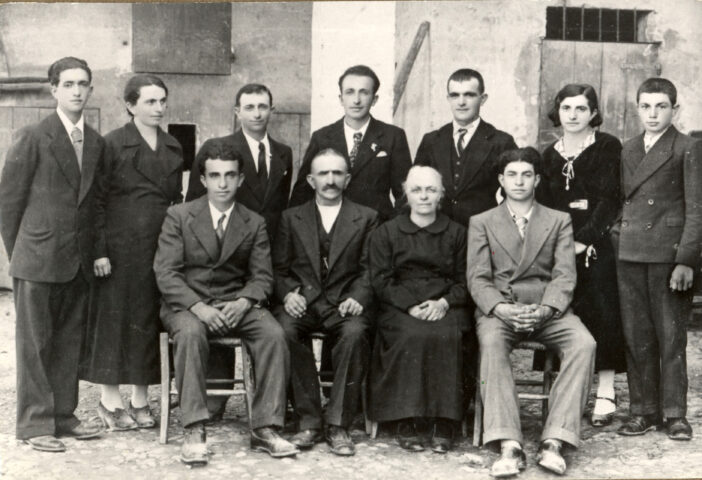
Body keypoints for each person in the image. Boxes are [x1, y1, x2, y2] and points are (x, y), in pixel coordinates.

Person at [153, 142, 298, 465]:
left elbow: (263, 276)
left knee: (274, 335)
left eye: (230, 175)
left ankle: (266, 428)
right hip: (187, 304)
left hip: (235, 303)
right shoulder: (179, 216)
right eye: (215, 176)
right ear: (202, 180)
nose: (223, 183)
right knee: (190, 333)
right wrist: (199, 307)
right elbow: (166, 273)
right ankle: (194, 428)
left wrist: (245, 301)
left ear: (240, 179)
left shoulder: (254, 221)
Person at [467, 148, 596, 477]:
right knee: (491, 344)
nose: (519, 181)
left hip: (547, 309)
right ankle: (509, 442)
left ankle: (555, 439)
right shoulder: (482, 222)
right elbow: (478, 278)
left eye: (527, 175)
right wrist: (501, 308)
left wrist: (547, 309)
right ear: (501, 180)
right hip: (501, 309)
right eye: (512, 175)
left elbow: (565, 275)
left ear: (537, 180)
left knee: (584, 344)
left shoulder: (558, 220)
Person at [0, 57, 105, 452]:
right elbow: (8, 202)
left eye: (83, 84)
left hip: (77, 261)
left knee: (68, 343)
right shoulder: (33, 136)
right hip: (37, 260)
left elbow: (95, 204)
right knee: (35, 346)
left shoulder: (96, 142)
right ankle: (35, 424)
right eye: (69, 84)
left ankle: (63, 416)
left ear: (90, 89)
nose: (77, 91)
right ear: (54, 90)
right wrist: (23, 253)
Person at [79, 74, 183, 431]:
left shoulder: (173, 146)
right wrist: (99, 251)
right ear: (130, 105)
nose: (159, 108)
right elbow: (95, 202)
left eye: (162, 101)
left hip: (160, 246)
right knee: (114, 322)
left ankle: (141, 400)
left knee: (149, 321)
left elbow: (176, 200)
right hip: (119, 249)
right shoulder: (112, 144)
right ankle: (109, 400)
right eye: (150, 101)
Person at [273, 148, 378, 456]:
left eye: (337, 173)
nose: (330, 180)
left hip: (344, 302)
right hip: (303, 302)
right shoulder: (291, 217)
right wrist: (288, 294)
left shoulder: (367, 217)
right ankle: (308, 420)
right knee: (284, 332)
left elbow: (371, 268)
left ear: (347, 178)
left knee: (355, 334)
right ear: (311, 180)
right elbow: (278, 268)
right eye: (323, 173)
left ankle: (338, 424)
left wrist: (359, 297)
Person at [613, 78, 702, 441]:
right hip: (630, 252)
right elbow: (624, 200)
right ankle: (643, 411)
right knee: (637, 336)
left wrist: (686, 260)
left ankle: (675, 413)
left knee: (671, 337)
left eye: (661, 106)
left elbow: (697, 209)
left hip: (668, 255)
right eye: (646, 106)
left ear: (674, 109)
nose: (653, 114)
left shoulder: (688, 147)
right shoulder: (629, 148)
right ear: (638, 109)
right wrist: (617, 235)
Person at [537, 84, 626, 427]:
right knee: (565, 312)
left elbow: (609, 199)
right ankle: (570, 390)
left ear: (593, 113)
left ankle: (605, 390)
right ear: (557, 112)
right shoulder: (549, 155)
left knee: (602, 310)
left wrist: (584, 240)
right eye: (566, 108)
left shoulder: (607, 146)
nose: (572, 115)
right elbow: (545, 206)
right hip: (558, 246)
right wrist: (559, 245)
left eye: (580, 109)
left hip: (595, 244)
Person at [368, 165, 470, 454]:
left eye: (431, 190)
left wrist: (444, 303)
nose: (424, 196)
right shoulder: (387, 232)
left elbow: (467, 279)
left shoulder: (458, 233)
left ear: (441, 194)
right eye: (417, 190)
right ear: (406, 194)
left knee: (447, 335)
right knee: (409, 335)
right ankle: (405, 418)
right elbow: (380, 279)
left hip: (446, 304)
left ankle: (445, 421)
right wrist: (409, 305)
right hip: (400, 304)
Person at [288, 65, 412, 221]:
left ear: (374, 99)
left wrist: (390, 229)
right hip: (333, 228)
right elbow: (302, 192)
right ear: (341, 99)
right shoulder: (322, 137)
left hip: (377, 227)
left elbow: (406, 194)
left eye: (364, 92)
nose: (356, 100)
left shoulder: (393, 136)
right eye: (350, 92)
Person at [184, 83, 293, 240]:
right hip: (228, 241)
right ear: (237, 112)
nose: (257, 114)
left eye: (262, 107)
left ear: (272, 110)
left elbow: (281, 205)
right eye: (249, 108)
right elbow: (194, 204)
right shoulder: (216, 147)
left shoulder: (283, 153)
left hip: (270, 243)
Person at [415, 68, 517, 225]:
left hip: (482, 231)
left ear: (483, 99)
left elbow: (515, 191)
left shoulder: (501, 142)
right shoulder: (432, 140)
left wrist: (496, 225)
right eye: (455, 95)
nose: (461, 102)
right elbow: (415, 187)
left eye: (469, 95)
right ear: (448, 99)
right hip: (436, 230)